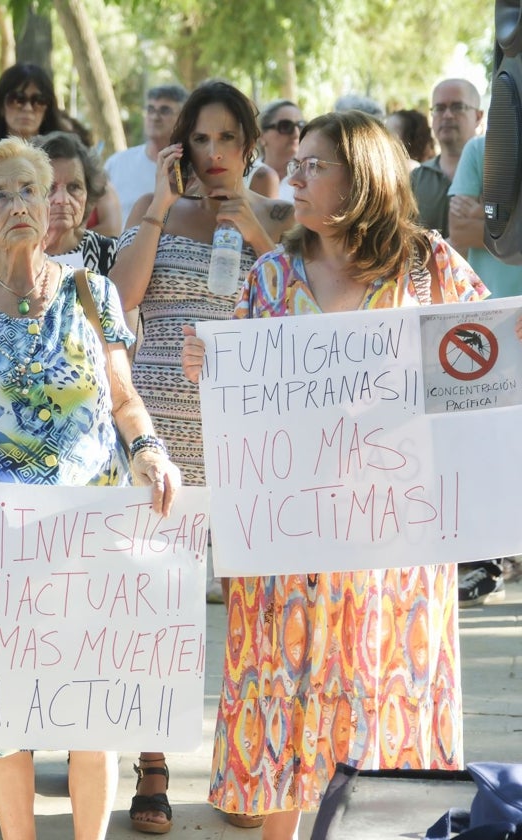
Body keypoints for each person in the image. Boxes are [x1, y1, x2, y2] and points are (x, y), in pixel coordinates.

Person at [182, 109, 482, 840]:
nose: (294, 179)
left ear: (364, 175)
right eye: (299, 165)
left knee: (383, 715)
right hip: (292, 547)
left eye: (315, 166)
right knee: (287, 707)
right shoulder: (274, 273)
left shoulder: (429, 265)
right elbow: (247, 407)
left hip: (394, 554)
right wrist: (210, 372)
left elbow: (484, 367)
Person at [0, 135, 180, 840]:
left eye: (33, 188)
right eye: (3, 194)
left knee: (91, 713)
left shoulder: (92, 291)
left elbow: (124, 400)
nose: (25, 204)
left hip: (85, 540)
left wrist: (147, 449)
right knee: (2, 718)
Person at [108, 80, 295, 833]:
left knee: (251, 605)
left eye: (228, 140)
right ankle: (152, 767)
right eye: (202, 140)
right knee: (158, 603)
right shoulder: (153, 211)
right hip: (158, 430)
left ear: (250, 147)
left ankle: (241, 763)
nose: (215, 155)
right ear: (182, 147)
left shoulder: (277, 213)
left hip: (243, 433)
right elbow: (120, 302)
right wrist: (158, 205)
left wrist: (253, 227)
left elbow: (302, 305)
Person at [446, 133, 522, 606]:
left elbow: (484, 230)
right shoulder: (483, 149)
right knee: (490, 447)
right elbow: (461, 233)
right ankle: (490, 560)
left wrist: (496, 223)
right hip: (488, 324)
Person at [35, 130, 119, 272]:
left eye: (74, 187)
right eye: (50, 188)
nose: (62, 200)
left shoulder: (110, 253)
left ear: (88, 192)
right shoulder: (11, 255)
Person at [103, 84, 187, 223]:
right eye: (150, 109)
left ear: (182, 118)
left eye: (164, 111)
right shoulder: (117, 163)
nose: (155, 117)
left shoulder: (190, 170)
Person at [410, 78, 482, 239]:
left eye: (458, 107)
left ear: (478, 116)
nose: (448, 115)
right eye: (439, 108)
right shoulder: (416, 179)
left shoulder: (498, 174)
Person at [0, 63, 63, 147]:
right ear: (1, 107)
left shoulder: (63, 158)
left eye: (39, 101)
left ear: (47, 109)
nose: (28, 108)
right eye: (17, 99)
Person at [255, 100, 305, 200]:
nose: (296, 134)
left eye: (301, 126)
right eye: (285, 126)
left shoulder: (310, 178)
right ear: (261, 136)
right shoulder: (244, 175)